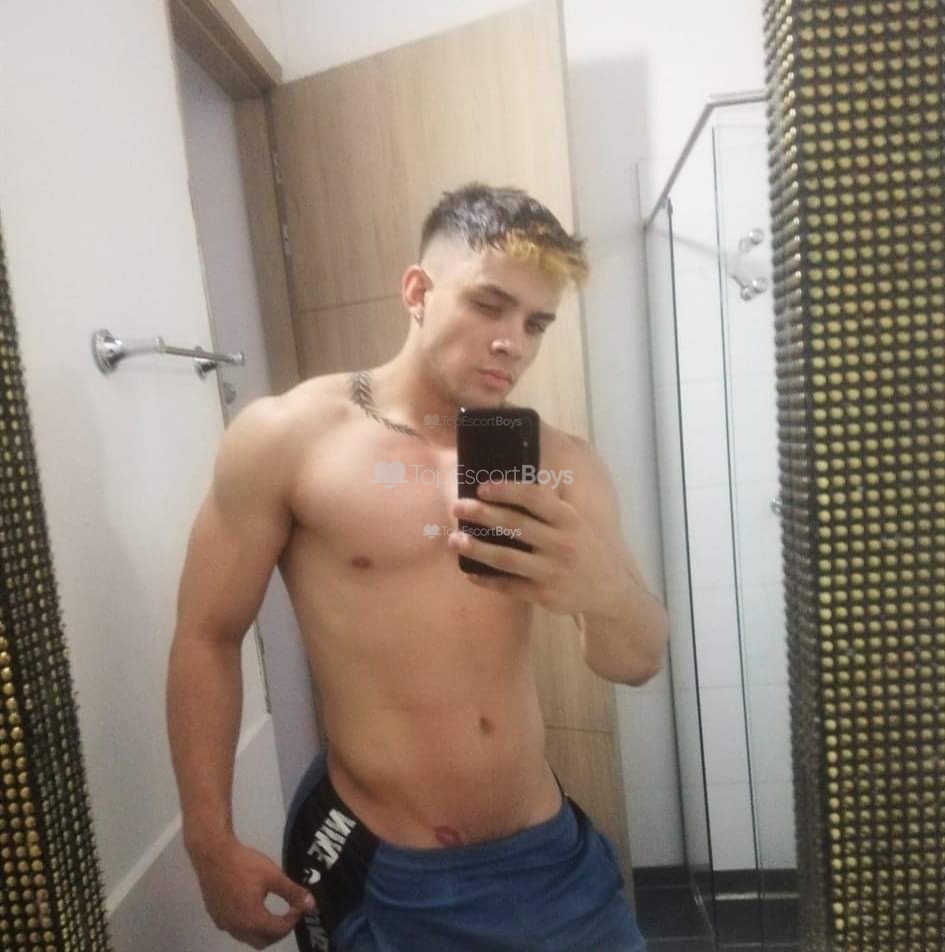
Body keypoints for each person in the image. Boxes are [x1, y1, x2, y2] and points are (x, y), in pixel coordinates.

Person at [166, 182, 668, 951]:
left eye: (535, 323)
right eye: (490, 305)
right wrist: (208, 842)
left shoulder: (562, 464)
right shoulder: (289, 439)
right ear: (417, 291)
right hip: (387, 868)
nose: (513, 343)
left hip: (547, 860)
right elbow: (206, 636)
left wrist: (602, 591)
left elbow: (634, 663)